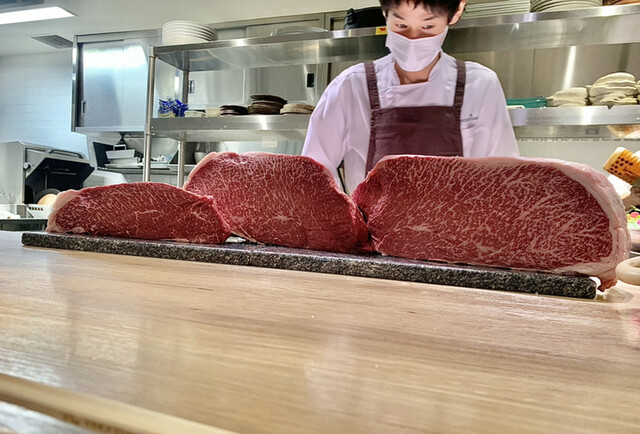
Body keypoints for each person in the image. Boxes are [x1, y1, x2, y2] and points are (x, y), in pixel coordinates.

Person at [302, 0, 519, 193]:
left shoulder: (480, 85)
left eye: (428, 27)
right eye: (401, 25)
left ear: (455, 13)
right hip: (372, 227)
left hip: (459, 226)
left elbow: (504, 181)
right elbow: (312, 176)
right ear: (385, 14)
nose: (413, 39)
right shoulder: (351, 86)